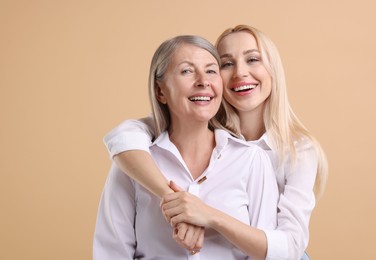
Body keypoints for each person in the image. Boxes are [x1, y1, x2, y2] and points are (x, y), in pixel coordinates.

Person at [103, 25, 329, 260]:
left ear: (273, 70)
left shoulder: (296, 152)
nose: (240, 72)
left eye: (253, 59)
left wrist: (208, 215)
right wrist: (175, 202)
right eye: (226, 64)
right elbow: (124, 138)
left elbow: (289, 248)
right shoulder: (175, 131)